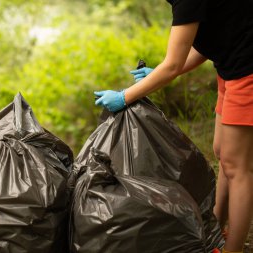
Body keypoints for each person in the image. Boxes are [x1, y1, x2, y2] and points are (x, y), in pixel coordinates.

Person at [94, 0, 253, 252]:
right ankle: (215, 231)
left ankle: (233, 249)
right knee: (223, 153)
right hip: (231, 69)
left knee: (238, 168)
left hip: (246, 73)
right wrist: (159, 70)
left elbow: (173, 65)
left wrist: (125, 96)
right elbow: (205, 44)